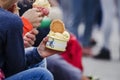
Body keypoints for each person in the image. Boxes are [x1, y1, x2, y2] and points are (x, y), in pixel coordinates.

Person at [0, 0, 61, 80]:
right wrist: (23, 25)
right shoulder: (11, 21)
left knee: (36, 54)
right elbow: (15, 70)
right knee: (42, 74)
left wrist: (37, 53)